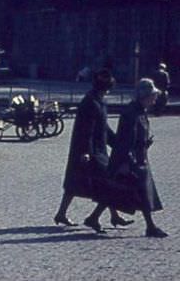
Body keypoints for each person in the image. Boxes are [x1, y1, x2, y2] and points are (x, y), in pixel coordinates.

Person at [87, 79, 167, 238]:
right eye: (153, 96)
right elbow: (126, 139)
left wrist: (145, 143)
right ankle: (150, 227)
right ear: (145, 96)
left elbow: (135, 137)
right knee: (127, 191)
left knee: (119, 192)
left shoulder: (139, 111)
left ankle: (94, 217)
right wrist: (127, 162)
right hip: (130, 160)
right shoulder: (132, 113)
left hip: (136, 158)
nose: (155, 99)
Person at [53, 68, 131, 230]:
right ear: (106, 88)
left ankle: (112, 216)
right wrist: (85, 152)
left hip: (97, 149)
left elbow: (104, 128)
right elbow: (85, 130)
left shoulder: (99, 101)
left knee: (77, 183)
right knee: (107, 182)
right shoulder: (90, 103)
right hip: (89, 150)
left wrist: (117, 143)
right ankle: (98, 217)